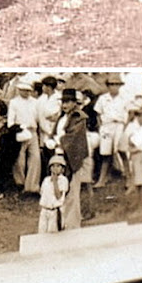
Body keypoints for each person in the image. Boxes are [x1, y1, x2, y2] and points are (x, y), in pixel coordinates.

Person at [49, 89, 89, 230]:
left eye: (68, 101)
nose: (64, 105)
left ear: (74, 103)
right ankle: (60, 222)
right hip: (59, 155)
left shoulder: (79, 118)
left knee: (71, 191)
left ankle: (72, 224)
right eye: (63, 102)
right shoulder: (62, 118)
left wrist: (58, 141)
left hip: (72, 157)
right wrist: (52, 139)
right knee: (58, 188)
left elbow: (73, 138)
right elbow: (55, 132)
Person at [93, 74, 130, 188]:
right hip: (106, 126)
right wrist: (101, 126)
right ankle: (102, 180)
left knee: (122, 151)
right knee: (106, 154)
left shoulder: (125, 98)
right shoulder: (103, 98)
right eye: (111, 85)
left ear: (120, 86)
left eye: (116, 85)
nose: (114, 87)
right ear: (108, 86)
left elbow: (130, 112)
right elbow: (98, 113)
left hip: (119, 125)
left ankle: (129, 178)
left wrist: (125, 126)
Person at [7, 80, 41, 196]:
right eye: (23, 90)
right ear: (19, 90)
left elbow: (39, 118)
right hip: (20, 132)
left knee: (35, 158)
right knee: (19, 161)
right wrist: (20, 127)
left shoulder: (35, 102)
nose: (26, 92)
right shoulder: (14, 102)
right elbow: (10, 122)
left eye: (28, 90)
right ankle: (20, 184)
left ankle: (32, 187)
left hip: (33, 132)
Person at [127, 104, 142, 209]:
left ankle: (141, 207)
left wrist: (130, 137)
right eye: (139, 116)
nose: (140, 118)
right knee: (140, 182)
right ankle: (140, 205)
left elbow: (133, 142)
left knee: (141, 183)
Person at [38, 155, 69, 233]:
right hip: (45, 210)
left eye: (58, 166)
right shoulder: (46, 180)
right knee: (41, 232)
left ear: (62, 169)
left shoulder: (63, 180)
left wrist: (55, 182)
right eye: (53, 166)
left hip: (55, 211)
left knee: (53, 234)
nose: (55, 168)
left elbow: (58, 196)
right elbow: (42, 193)